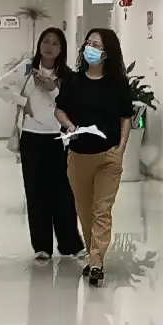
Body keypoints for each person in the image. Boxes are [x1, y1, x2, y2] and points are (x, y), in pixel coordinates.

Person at [55, 28, 134, 287]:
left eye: (97, 45)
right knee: (85, 210)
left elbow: (126, 117)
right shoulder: (73, 82)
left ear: (107, 52)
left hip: (108, 155)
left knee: (102, 210)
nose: (91, 48)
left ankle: (97, 262)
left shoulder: (117, 83)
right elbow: (59, 110)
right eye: (88, 43)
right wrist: (70, 126)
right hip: (79, 155)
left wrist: (121, 149)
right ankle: (93, 255)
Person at [5, 27, 84, 262]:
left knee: (63, 192)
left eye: (55, 43)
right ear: (40, 44)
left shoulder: (67, 75)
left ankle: (70, 244)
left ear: (61, 50)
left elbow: (72, 103)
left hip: (59, 138)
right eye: (46, 41)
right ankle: (41, 246)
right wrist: (23, 101)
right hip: (32, 136)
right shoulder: (27, 68)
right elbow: (0, 86)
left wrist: (53, 88)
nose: (49, 46)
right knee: (35, 191)